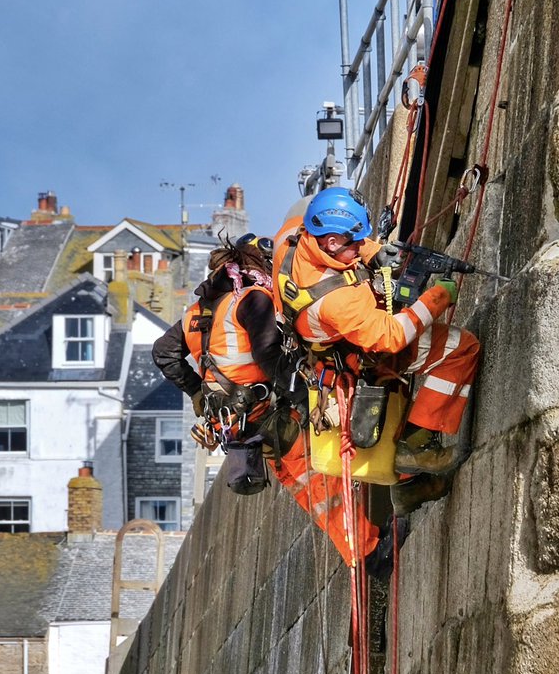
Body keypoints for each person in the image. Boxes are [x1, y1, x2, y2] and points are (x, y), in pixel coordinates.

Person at [151, 237, 378, 567]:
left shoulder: (195, 315)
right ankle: (367, 551)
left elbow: (163, 353)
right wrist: (307, 395)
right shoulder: (253, 299)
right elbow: (269, 354)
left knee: (304, 483)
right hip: (266, 410)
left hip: (236, 423)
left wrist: (198, 393)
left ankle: (362, 547)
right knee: (320, 483)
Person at [272, 187, 480, 475]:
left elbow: (345, 247)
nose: (360, 246)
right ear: (331, 242)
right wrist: (438, 298)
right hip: (355, 353)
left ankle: (411, 487)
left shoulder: (292, 239)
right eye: (356, 242)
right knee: (461, 348)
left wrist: (374, 253)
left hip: (330, 345)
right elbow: (391, 336)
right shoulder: (335, 301)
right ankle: (417, 446)